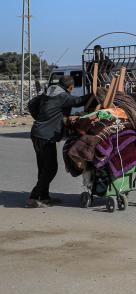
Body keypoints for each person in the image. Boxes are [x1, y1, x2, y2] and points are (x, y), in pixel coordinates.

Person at [26, 76, 91, 207]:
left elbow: (31, 103)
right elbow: (78, 101)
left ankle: (44, 197)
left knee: (43, 168)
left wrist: (40, 118)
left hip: (38, 133)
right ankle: (34, 197)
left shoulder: (48, 93)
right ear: (70, 87)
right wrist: (94, 94)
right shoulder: (62, 96)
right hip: (45, 136)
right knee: (51, 169)